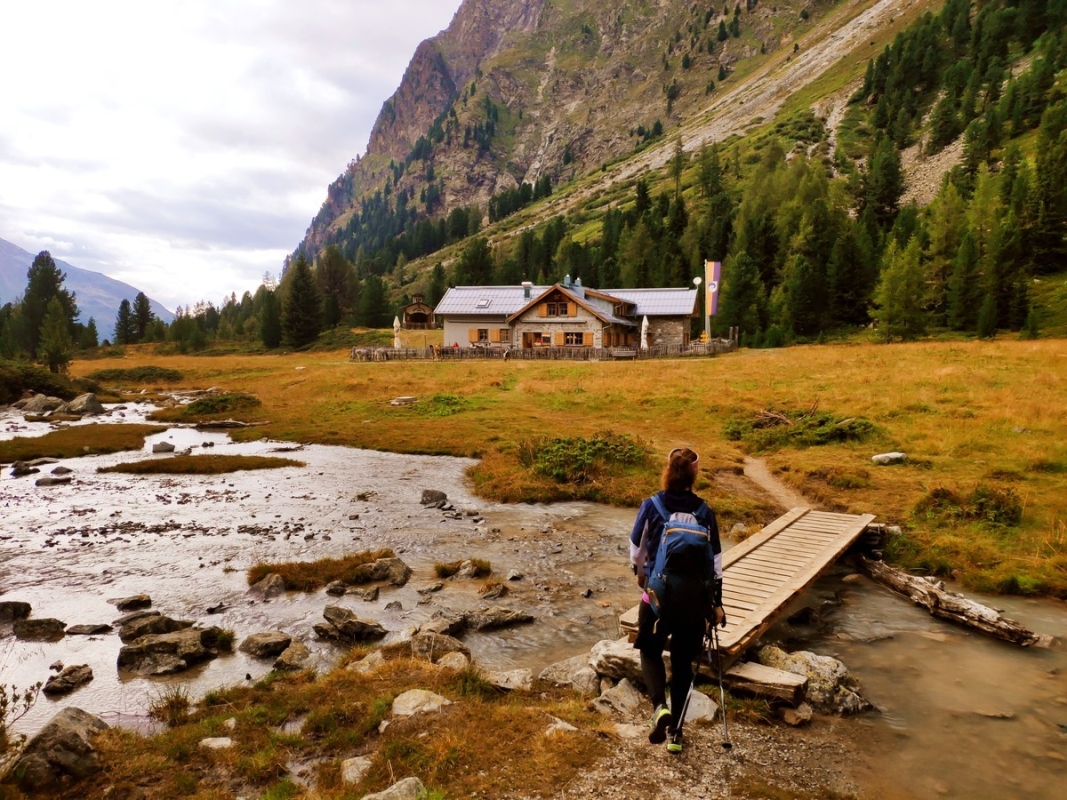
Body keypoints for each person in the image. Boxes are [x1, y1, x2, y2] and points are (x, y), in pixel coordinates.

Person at [630, 446, 724, 754]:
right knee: (683, 663)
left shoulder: (652, 505)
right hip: (694, 603)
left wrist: (641, 574)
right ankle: (676, 733)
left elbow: (637, 549)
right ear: (694, 475)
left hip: (657, 597)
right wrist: (716, 603)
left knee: (650, 650)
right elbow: (716, 563)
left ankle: (660, 707)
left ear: (668, 470)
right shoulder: (705, 512)